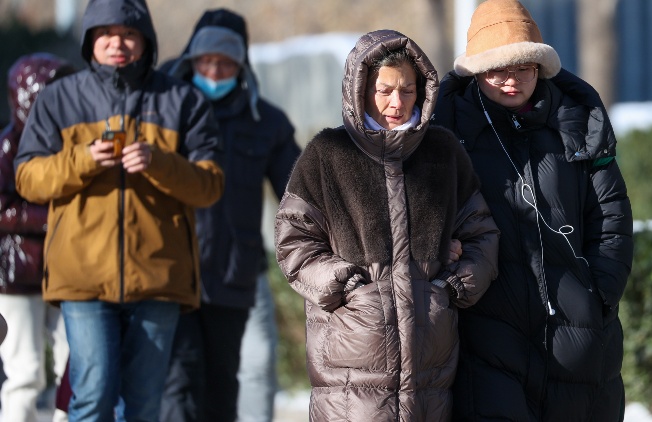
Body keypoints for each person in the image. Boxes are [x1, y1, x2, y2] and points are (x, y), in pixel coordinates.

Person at [13, 0, 225, 420]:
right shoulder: (59, 98)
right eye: (106, 33)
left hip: (159, 278)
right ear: (90, 39)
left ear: (146, 41)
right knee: (92, 395)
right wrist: (83, 160)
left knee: (144, 406)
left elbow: (210, 185)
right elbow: (29, 180)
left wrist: (160, 162)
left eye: (129, 34)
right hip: (82, 277)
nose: (118, 43)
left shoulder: (183, 100)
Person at [274, 29, 500, 421]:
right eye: (385, 90)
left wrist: (451, 287)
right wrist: (349, 287)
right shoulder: (327, 154)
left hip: (430, 366)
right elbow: (295, 242)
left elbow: (481, 234)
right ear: (360, 88)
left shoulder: (442, 152)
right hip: (349, 365)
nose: (397, 102)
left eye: (408, 90)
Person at [432, 0, 634, 420]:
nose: (512, 79)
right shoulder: (446, 132)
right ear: (475, 71)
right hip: (486, 334)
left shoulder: (577, 121)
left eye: (524, 66)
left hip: (579, 333)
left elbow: (610, 214)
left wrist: (600, 295)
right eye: (498, 69)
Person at [159, 8, 300, 422]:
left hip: (235, 276)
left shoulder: (266, 122)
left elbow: (300, 197)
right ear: (191, 61)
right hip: (171, 274)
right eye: (205, 62)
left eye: (224, 63)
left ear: (241, 65)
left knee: (230, 385)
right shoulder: (165, 110)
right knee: (178, 385)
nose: (214, 71)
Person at [0, 52, 75, 422]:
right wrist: (53, 219)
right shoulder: (7, 148)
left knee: (76, 367)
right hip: (18, 275)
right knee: (25, 372)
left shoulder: (74, 145)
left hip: (68, 272)